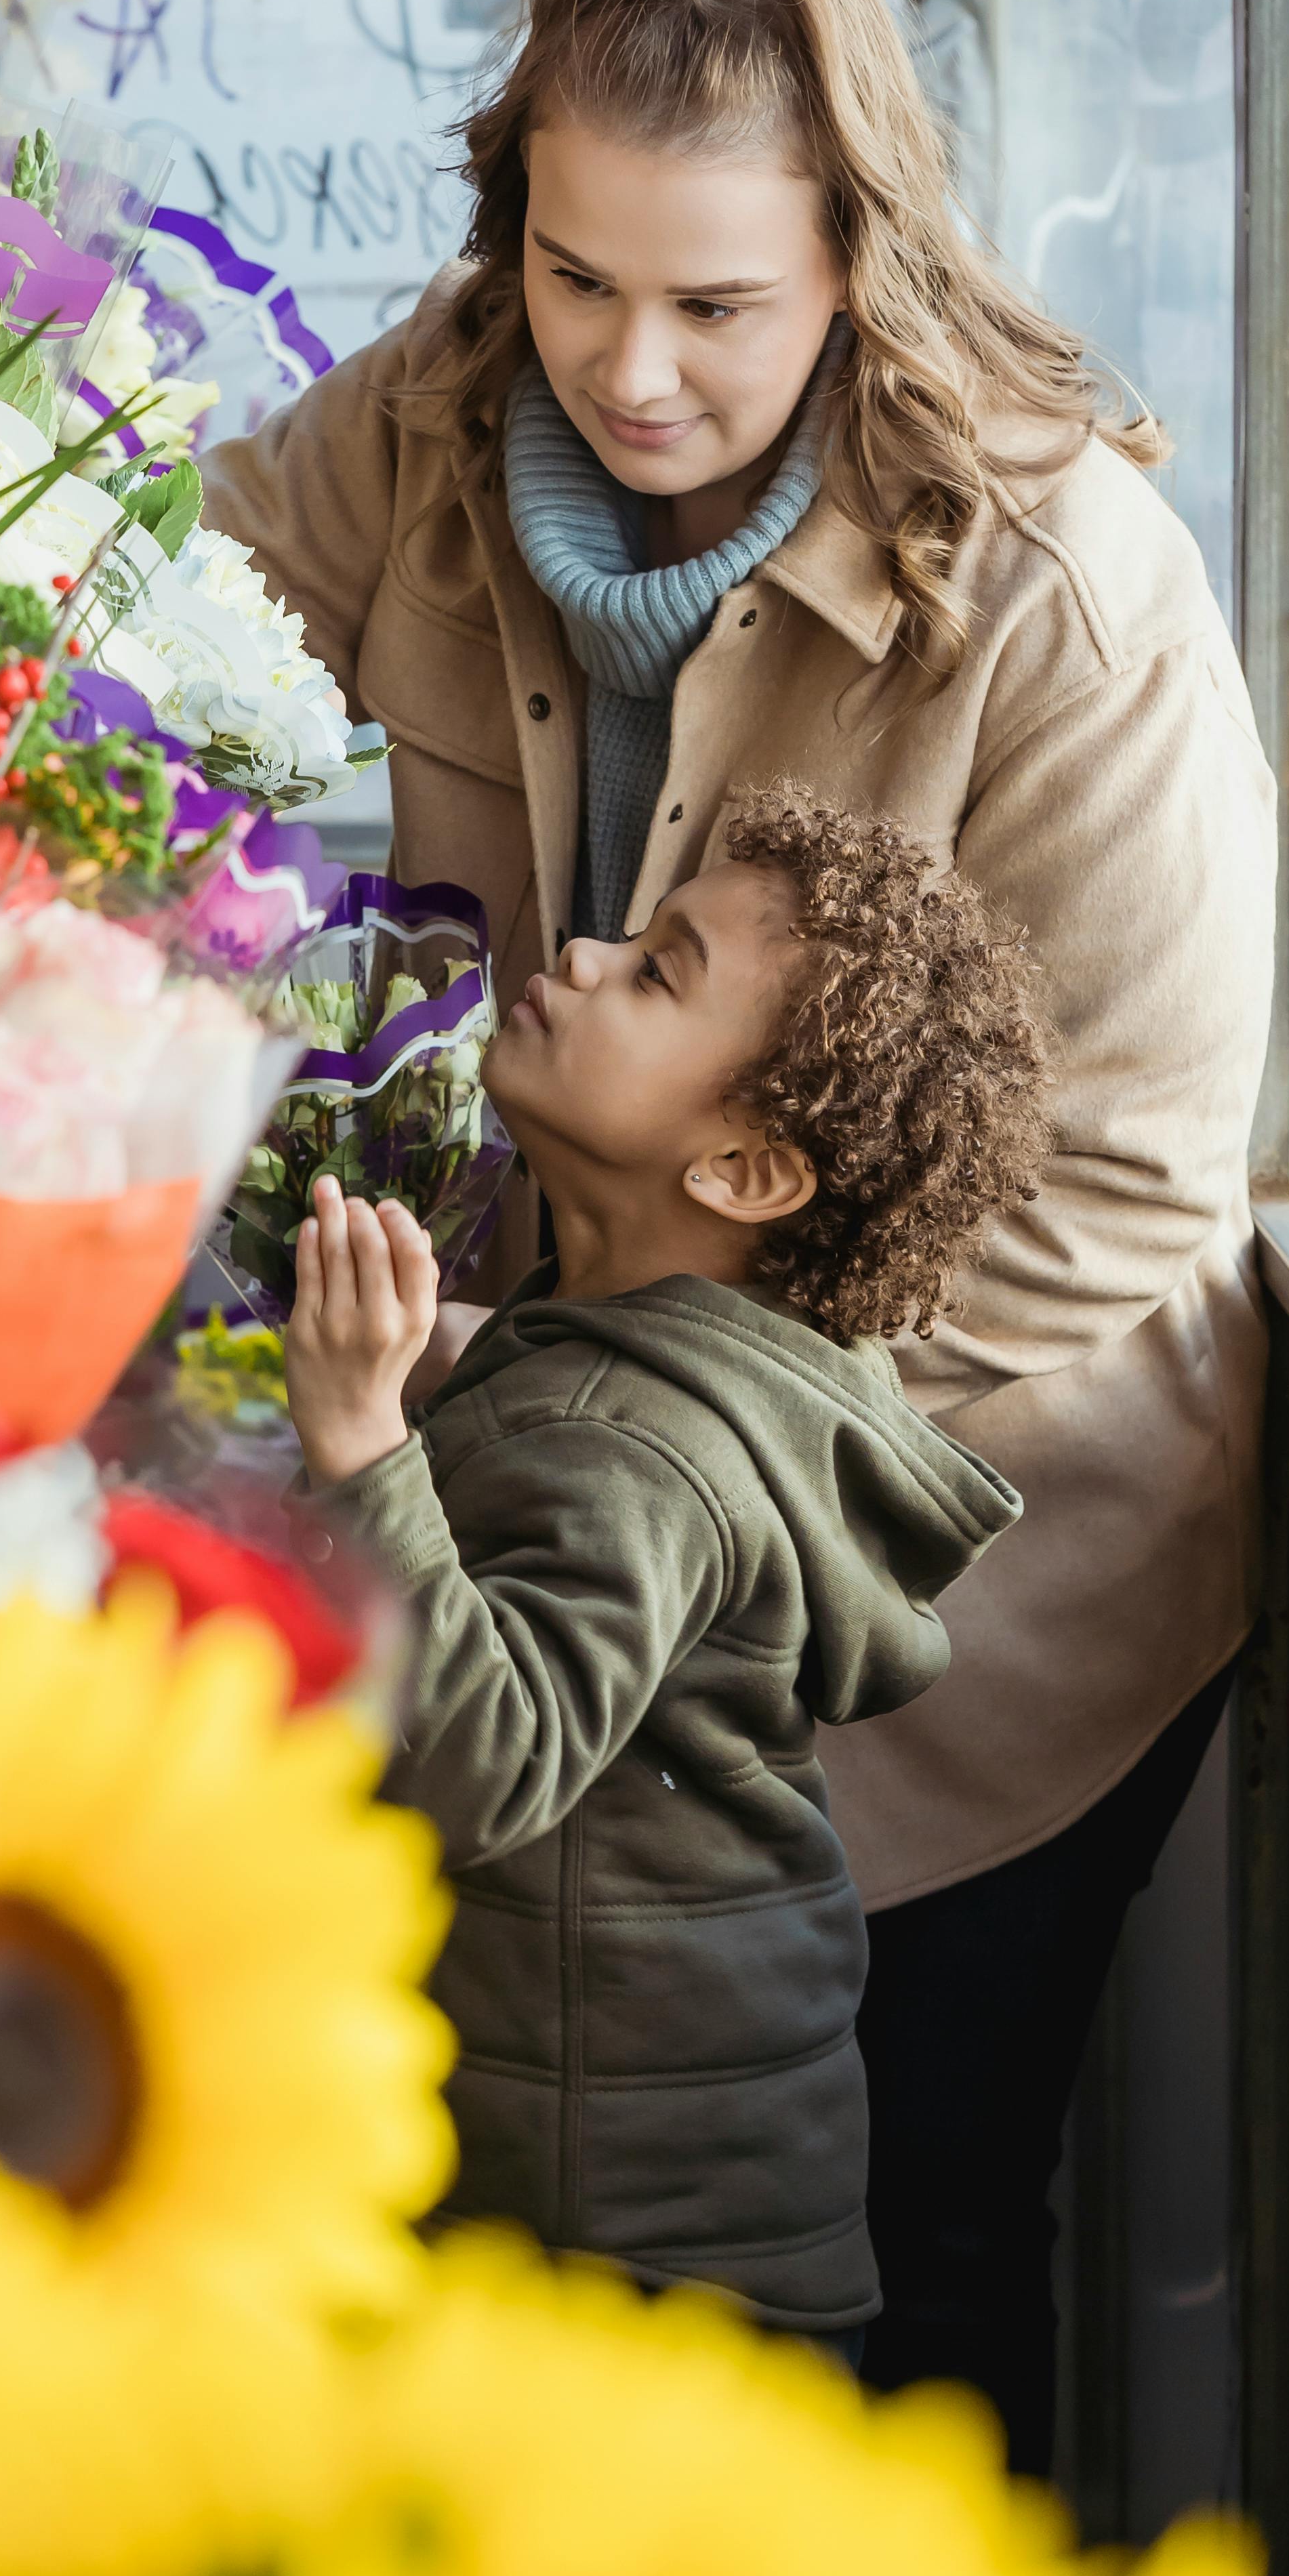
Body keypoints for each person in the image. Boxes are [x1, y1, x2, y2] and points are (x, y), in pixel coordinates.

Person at [207, 0, 1276, 2471]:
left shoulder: (1069, 596)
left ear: (856, 264)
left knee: (896, 2246)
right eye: (578, 278)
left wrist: (622, 1372)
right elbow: (165, 596)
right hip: (551, 1484)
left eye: (718, 306)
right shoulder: (452, 409)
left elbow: (1128, 1189)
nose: (634, 369)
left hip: (971, 1588)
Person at [283, 787, 1040, 2350]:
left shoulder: (636, 1451)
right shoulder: (708, 1370)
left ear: (748, 1173)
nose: (580, 948)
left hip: (612, 2261)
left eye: (657, 972)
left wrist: (363, 1432)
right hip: (688, 2200)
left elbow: (485, 1757)